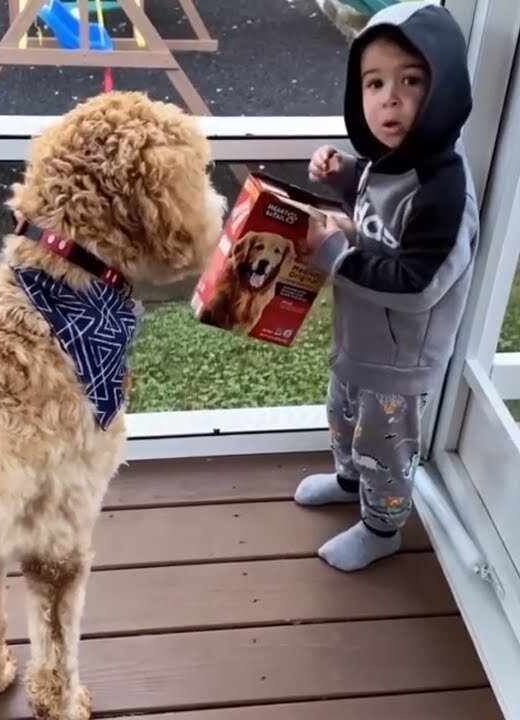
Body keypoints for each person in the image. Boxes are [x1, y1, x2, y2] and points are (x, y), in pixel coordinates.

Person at [297, 1, 477, 572]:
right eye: (373, 83)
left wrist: (335, 255)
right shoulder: (386, 160)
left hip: (401, 359)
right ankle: (350, 482)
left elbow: (418, 282)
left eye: (412, 80)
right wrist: (345, 178)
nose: (389, 98)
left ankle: (383, 528)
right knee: (343, 415)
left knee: (386, 447)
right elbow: (377, 215)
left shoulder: (442, 188)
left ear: (445, 88)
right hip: (361, 340)